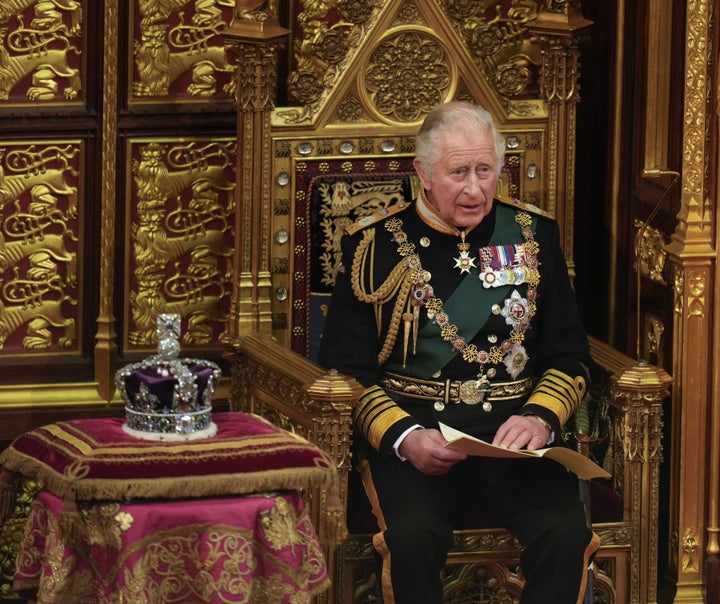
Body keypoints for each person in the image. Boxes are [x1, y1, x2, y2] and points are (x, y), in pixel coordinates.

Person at [318, 100, 599, 604]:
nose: (475, 188)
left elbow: (569, 355)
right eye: (459, 172)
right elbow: (346, 372)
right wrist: (404, 437)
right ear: (423, 173)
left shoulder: (535, 238)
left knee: (565, 532)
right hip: (420, 442)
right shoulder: (372, 248)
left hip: (517, 443)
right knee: (412, 536)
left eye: (485, 170)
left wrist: (540, 418)